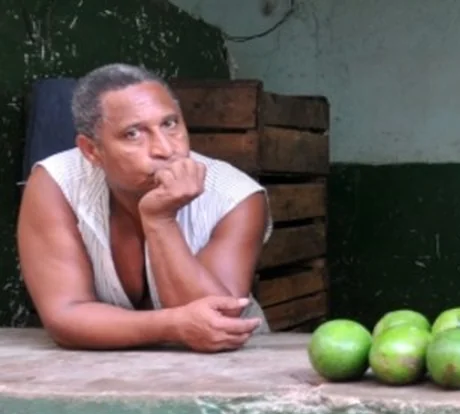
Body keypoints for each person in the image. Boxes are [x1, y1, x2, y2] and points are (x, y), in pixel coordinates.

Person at [16, 63, 273, 353]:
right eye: (133, 134)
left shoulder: (234, 195)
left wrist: (161, 220)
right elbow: (65, 314)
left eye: (170, 124)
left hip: (238, 364)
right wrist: (172, 325)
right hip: (107, 369)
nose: (165, 149)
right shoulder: (57, 183)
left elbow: (220, 319)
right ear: (92, 150)